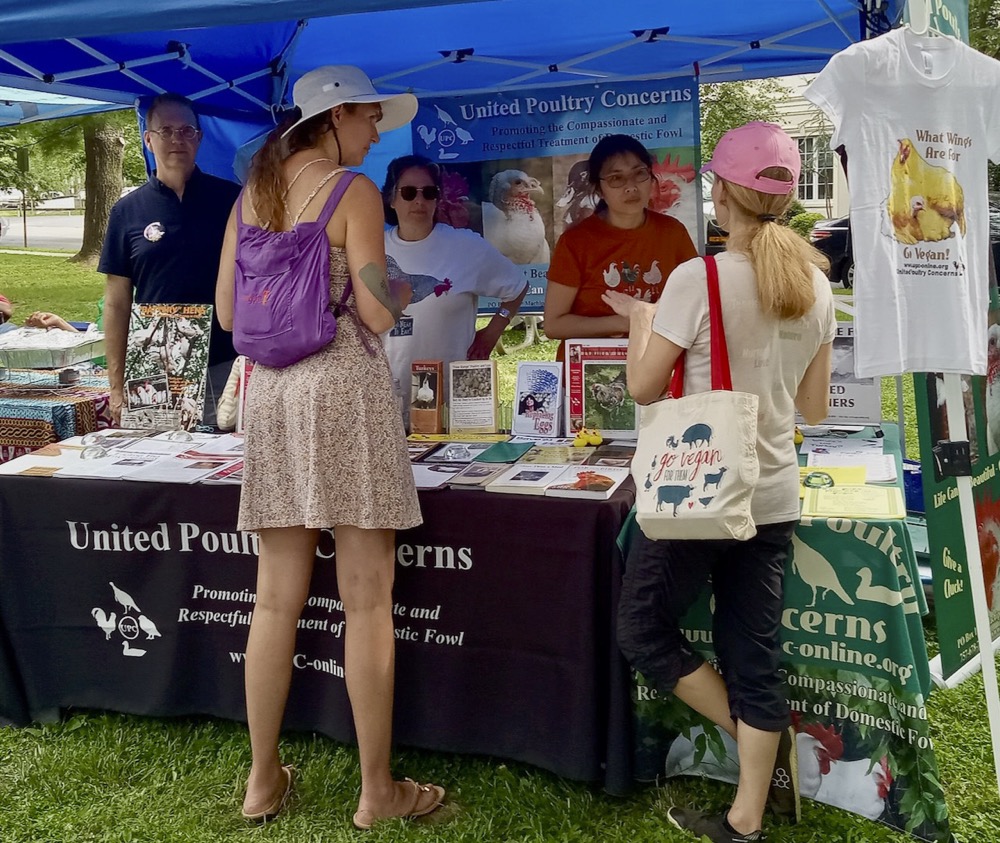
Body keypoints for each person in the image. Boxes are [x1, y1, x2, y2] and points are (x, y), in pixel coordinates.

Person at [215, 65, 444, 829]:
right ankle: (377, 791)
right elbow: (377, 312)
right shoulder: (353, 191)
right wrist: (400, 288)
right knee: (367, 598)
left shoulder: (251, 195)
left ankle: (261, 778)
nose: (376, 132)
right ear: (337, 116)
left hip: (272, 396)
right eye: (370, 117)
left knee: (273, 596)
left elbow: (227, 311)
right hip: (344, 388)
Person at [604, 122, 835, 843]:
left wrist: (642, 322)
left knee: (642, 629)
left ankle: (749, 738)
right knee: (754, 655)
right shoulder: (816, 283)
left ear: (721, 192)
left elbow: (643, 388)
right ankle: (748, 811)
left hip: (697, 493)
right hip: (774, 495)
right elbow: (815, 407)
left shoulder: (695, 279)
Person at [99, 92, 241, 425]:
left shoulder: (233, 201)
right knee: (156, 456)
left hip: (226, 366)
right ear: (148, 140)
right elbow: (116, 303)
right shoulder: (126, 211)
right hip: (154, 369)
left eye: (187, 130)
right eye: (166, 130)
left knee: (225, 457)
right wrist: (116, 385)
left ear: (199, 138)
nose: (177, 139)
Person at [380, 155, 527, 427]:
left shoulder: (466, 246)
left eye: (429, 192)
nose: (419, 200)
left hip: (455, 399)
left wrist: (493, 331)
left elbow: (517, 286)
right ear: (391, 198)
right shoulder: (372, 249)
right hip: (387, 397)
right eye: (409, 192)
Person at [544, 134, 698, 360]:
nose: (631, 187)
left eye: (639, 174)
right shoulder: (576, 242)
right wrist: (625, 322)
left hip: (657, 363)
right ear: (599, 190)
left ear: (651, 177)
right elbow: (554, 325)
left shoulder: (673, 233)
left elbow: (694, 302)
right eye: (616, 178)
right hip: (590, 368)